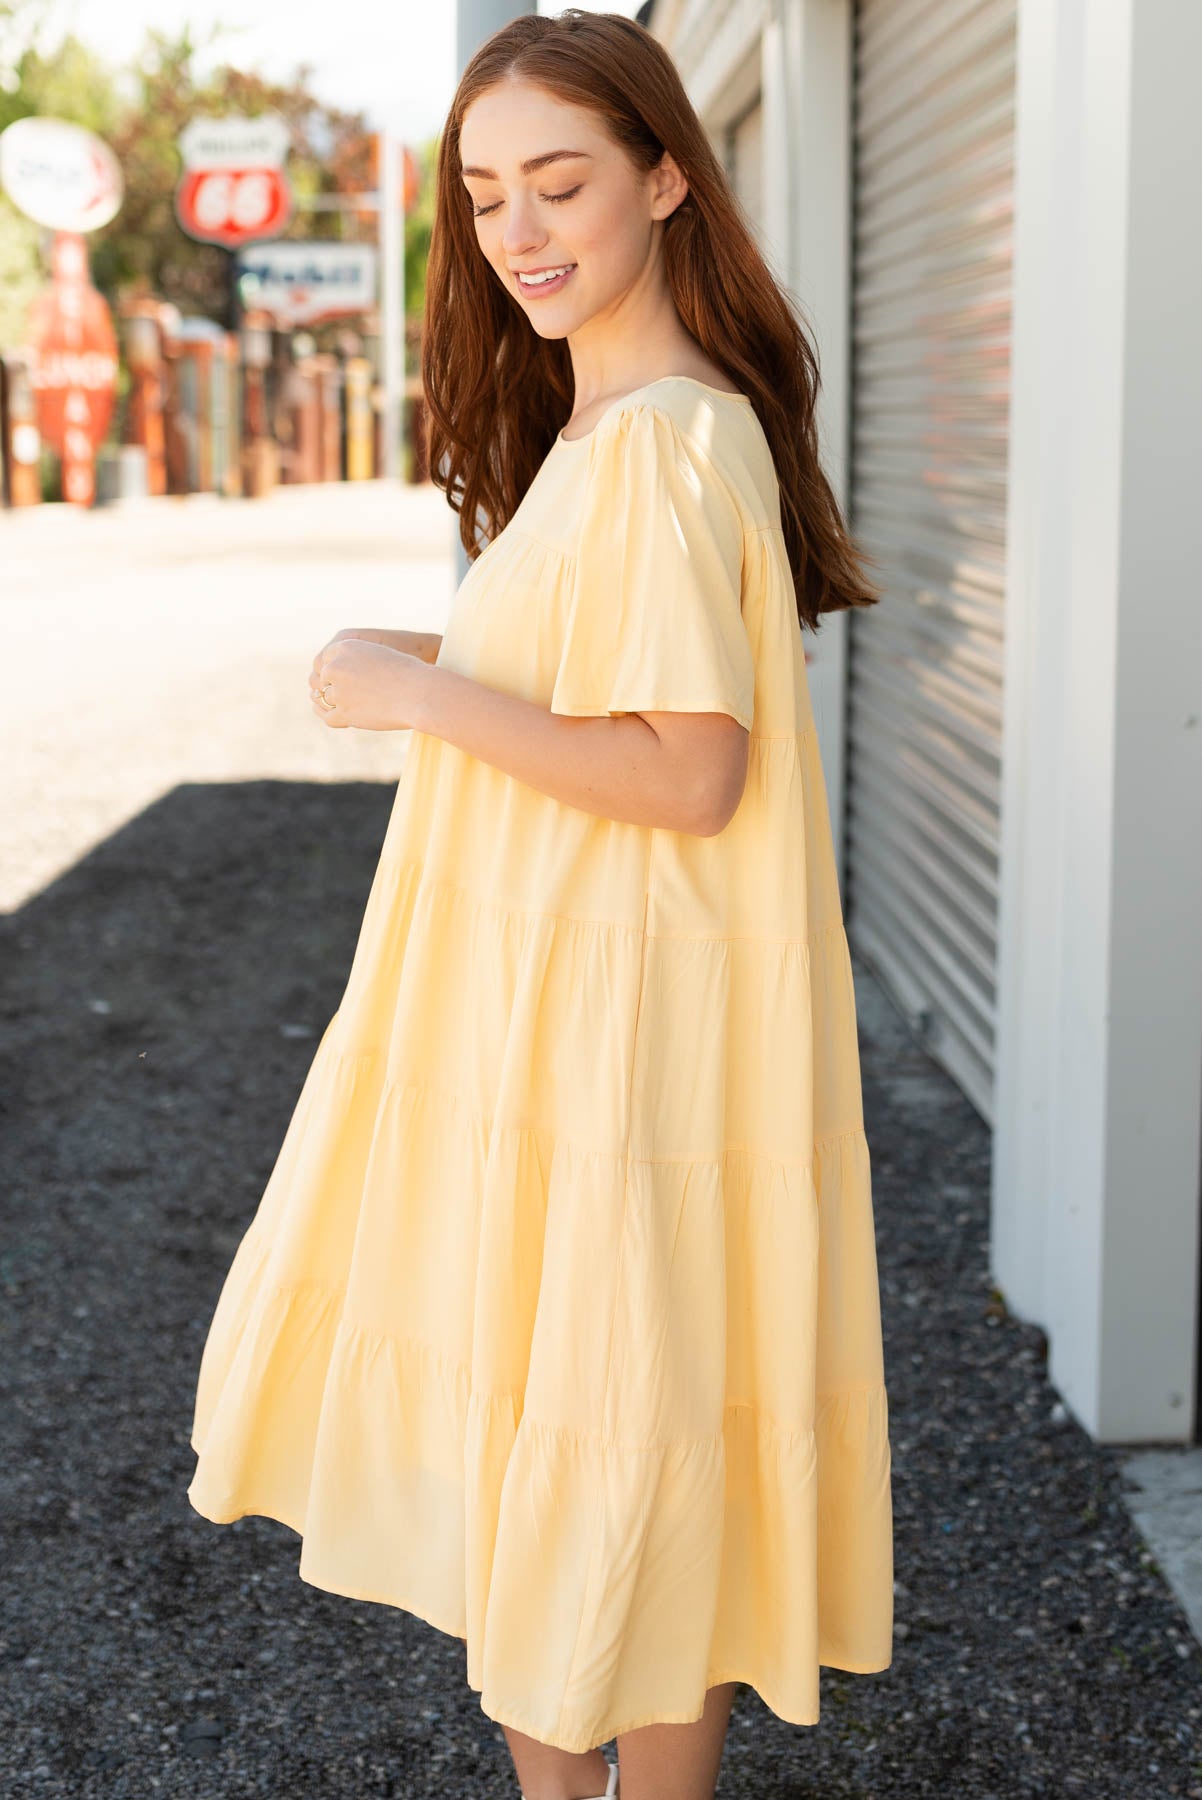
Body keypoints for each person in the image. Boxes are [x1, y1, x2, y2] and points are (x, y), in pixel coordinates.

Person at [186, 11, 894, 1800]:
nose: (518, 229)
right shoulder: (615, 432)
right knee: (580, 1447)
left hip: (607, 1042)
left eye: (561, 181)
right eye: (486, 193)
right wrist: (440, 651)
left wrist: (418, 693)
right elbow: (589, 682)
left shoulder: (660, 442)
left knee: (605, 1449)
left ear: (667, 178)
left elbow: (684, 770)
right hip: (560, 1030)